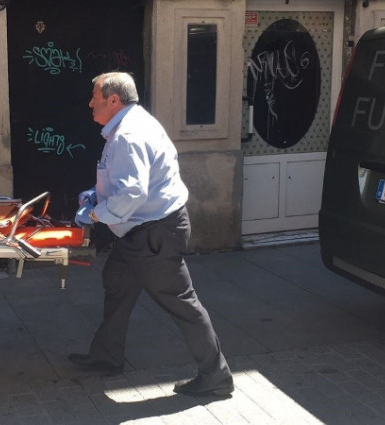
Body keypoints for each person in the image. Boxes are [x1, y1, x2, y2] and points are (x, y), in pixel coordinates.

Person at [69, 72, 234, 397]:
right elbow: (125, 185)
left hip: (154, 234)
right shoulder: (129, 127)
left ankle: (216, 375)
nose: (90, 103)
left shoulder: (128, 135)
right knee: (117, 283)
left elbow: (131, 194)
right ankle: (106, 357)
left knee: (182, 303)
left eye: (94, 97)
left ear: (113, 100)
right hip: (140, 233)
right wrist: (96, 195)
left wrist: (92, 215)